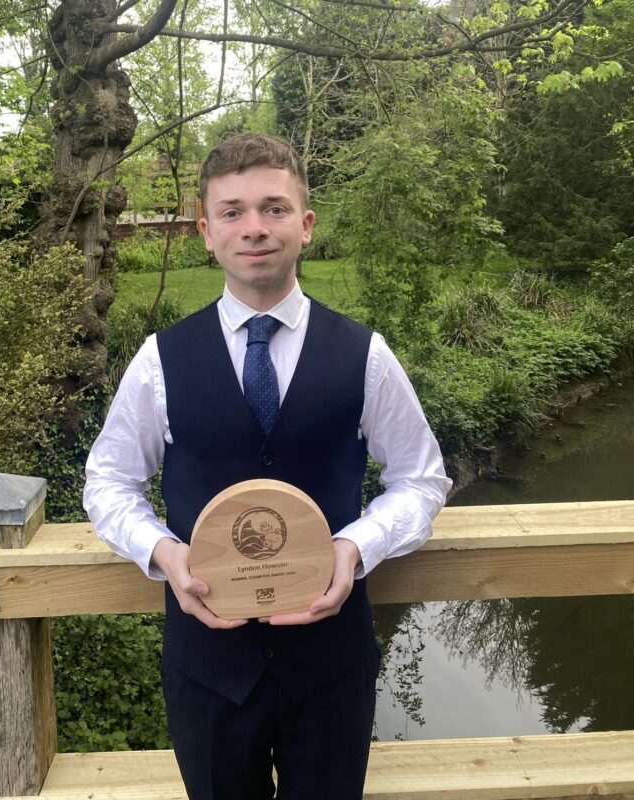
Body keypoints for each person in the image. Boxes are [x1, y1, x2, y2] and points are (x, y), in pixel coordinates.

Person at [84, 133, 451, 800]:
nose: (253, 228)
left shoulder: (365, 355)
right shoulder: (160, 359)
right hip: (207, 670)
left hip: (332, 668)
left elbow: (421, 478)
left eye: (273, 209)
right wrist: (162, 552)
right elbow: (108, 482)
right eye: (232, 212)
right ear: (206, 232)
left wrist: (356, 547)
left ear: (305, 225)